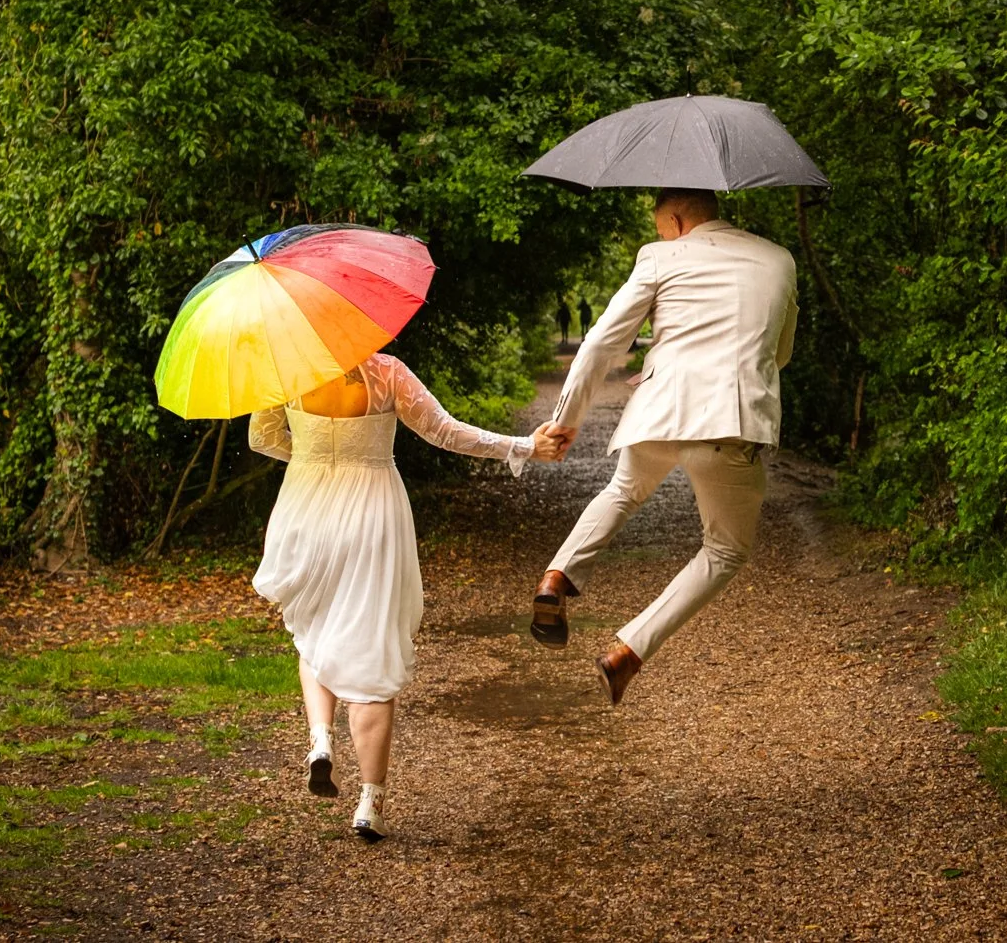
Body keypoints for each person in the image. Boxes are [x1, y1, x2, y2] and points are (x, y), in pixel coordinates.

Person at [250, 355, 563, 840]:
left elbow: (262, 439)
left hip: (305, 508)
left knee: (314, 629)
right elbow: (445, 431)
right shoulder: (386, 372)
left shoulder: (286, 369)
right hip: (371, 510)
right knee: (371, 643)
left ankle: (320, 741)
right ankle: (370, 803)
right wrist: (523, 446)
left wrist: (317, 457)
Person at [529, 188, 798, 704]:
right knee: (724, 550)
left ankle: (556, 578)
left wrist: (565, 420)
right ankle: (628, 652)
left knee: (623, 490)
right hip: (729, 420)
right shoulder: (779, 258)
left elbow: (602, 342)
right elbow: (778, 353)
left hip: (659, 408)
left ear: (675, 220)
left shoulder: (659, 257)